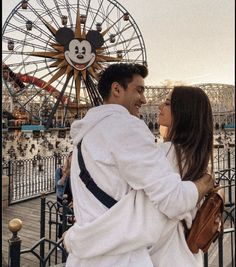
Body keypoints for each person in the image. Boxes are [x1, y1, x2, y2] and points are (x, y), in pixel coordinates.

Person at [64, 64, 213, 267]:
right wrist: (205, 183)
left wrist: (77, 237)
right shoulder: (126, 126)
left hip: (88, 255)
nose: (145, 100)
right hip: (122, 257)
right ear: (117, 89)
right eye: (139, 90)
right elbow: (173, 200)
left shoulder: (85, 136)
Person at [55, 152, 73, 237]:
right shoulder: (60, 170)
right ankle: (60, 239)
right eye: (71, 158)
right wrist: (65, 174)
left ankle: (69, 239)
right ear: (68, 158)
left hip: (72, 198)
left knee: (71, 220)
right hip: (62, 197)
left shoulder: (76, 171)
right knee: (62, 219)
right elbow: (58, 184)